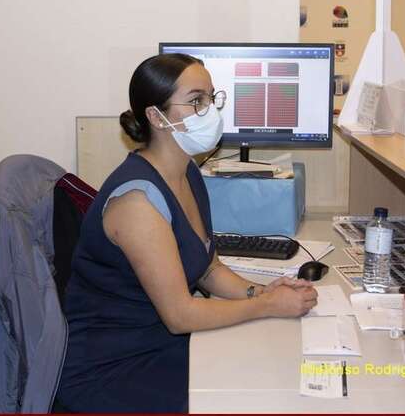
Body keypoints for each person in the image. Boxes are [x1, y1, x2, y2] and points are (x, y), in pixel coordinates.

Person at [55, 53, 318, 412]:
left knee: (269, 369)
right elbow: (180, 316)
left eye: (211, 97)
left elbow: (208, 268)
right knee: (254, 393)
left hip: (159, 341)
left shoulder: (187, 172)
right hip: (112, 366)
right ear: (155, 117)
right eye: (196, 101)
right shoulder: (137, 202)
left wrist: (262, 291)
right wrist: (266, 306)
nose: (210, 111)